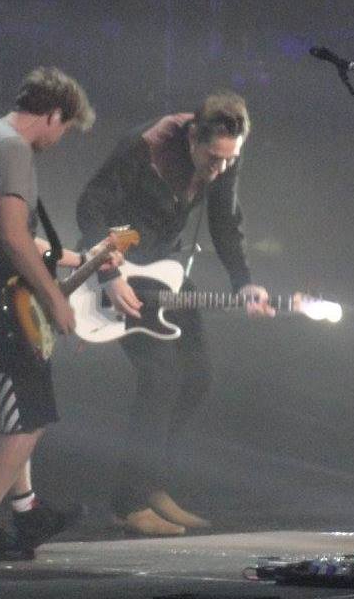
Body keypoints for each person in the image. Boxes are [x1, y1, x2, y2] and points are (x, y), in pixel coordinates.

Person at [75, 91, 275, 536]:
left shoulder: (226, 153)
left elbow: (225, 220)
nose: (219, 168)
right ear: (191, 137)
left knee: (198, 377)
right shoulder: (144, 146)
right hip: (120, 271)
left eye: (229, 160)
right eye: (213, 158)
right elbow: (90, 208)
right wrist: (109, 273)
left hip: (164, 270)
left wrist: (243, 282)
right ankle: (127, 504)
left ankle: (150, 486)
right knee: (160, 378)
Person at [0, 66, 118, 559]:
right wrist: (56, 299)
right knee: (31, 415)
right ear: (54, 114)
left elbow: (15, 234)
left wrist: (81, 258)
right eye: (65, 129)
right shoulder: (13, 148)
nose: (59, 140)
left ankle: (26, 510)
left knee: (15, 412)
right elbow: (14, 238)